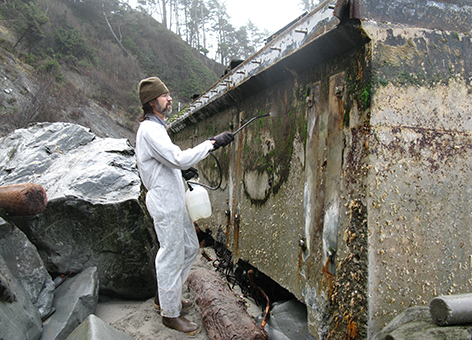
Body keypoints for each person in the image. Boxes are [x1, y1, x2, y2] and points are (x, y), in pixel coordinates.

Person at [135, 77, 234, 335]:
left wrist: (181, 174)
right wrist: (212, 143)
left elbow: (165, 163)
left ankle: (166, 297)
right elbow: (176, 158)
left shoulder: (157, 127)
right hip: (165, 203)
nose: (169, 99)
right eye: (164, 95)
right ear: (151, 102)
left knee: (190, 247)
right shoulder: (149, 130)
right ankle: (170, 314)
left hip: (175, 199)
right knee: (170, 255)